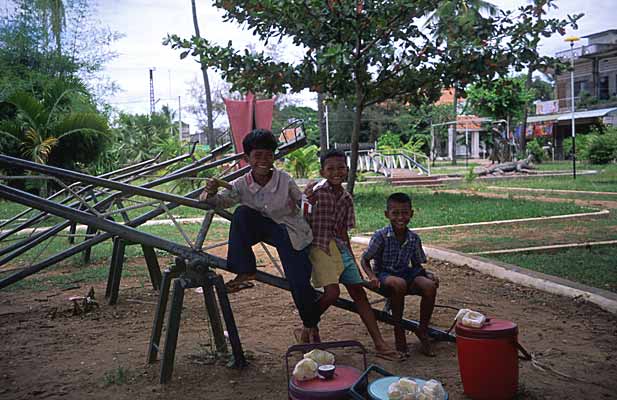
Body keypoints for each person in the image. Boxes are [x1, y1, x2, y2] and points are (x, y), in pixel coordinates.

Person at [199, 128, 320, 343]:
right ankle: (245, 271)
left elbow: (302, 202)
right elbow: (216, 201)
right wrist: (210, 191)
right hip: (264, 229)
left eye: (268, 155)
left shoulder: (284, 179)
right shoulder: (240, 184)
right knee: (242, 213)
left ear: (274, 156)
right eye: (257, 156)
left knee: (298, 281)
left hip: (290, 232)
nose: (263, 160)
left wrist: (309, 198)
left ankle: (310, 326)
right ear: (247, 159)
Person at [305, 149, 400, 360]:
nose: (336, 172)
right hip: (318, 246)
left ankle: (379, 342)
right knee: (331, 293)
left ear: (348, 170)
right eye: (330, 169)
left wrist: (352, 262)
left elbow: (342, 232)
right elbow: (300, 215)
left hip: (339, 247)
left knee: (358, 292)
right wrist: (306, 198)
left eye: (341, 168)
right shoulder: (316, 192)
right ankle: (309, 324)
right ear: (322, 171)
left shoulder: (347, 198)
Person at [360, 192, 439, 357]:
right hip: (384, 273)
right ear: (387, 214)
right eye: (395, 213)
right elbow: (365, 260)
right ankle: (399, 329)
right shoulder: (380, 236)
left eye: (404, 213)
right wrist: (372, 277)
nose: (400, 217)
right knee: (399, 284)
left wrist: (427, 275)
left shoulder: (413, 238)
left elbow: (417, 264)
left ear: (411, 213)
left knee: (430, 286)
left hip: (406, 273)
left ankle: (422, 330)